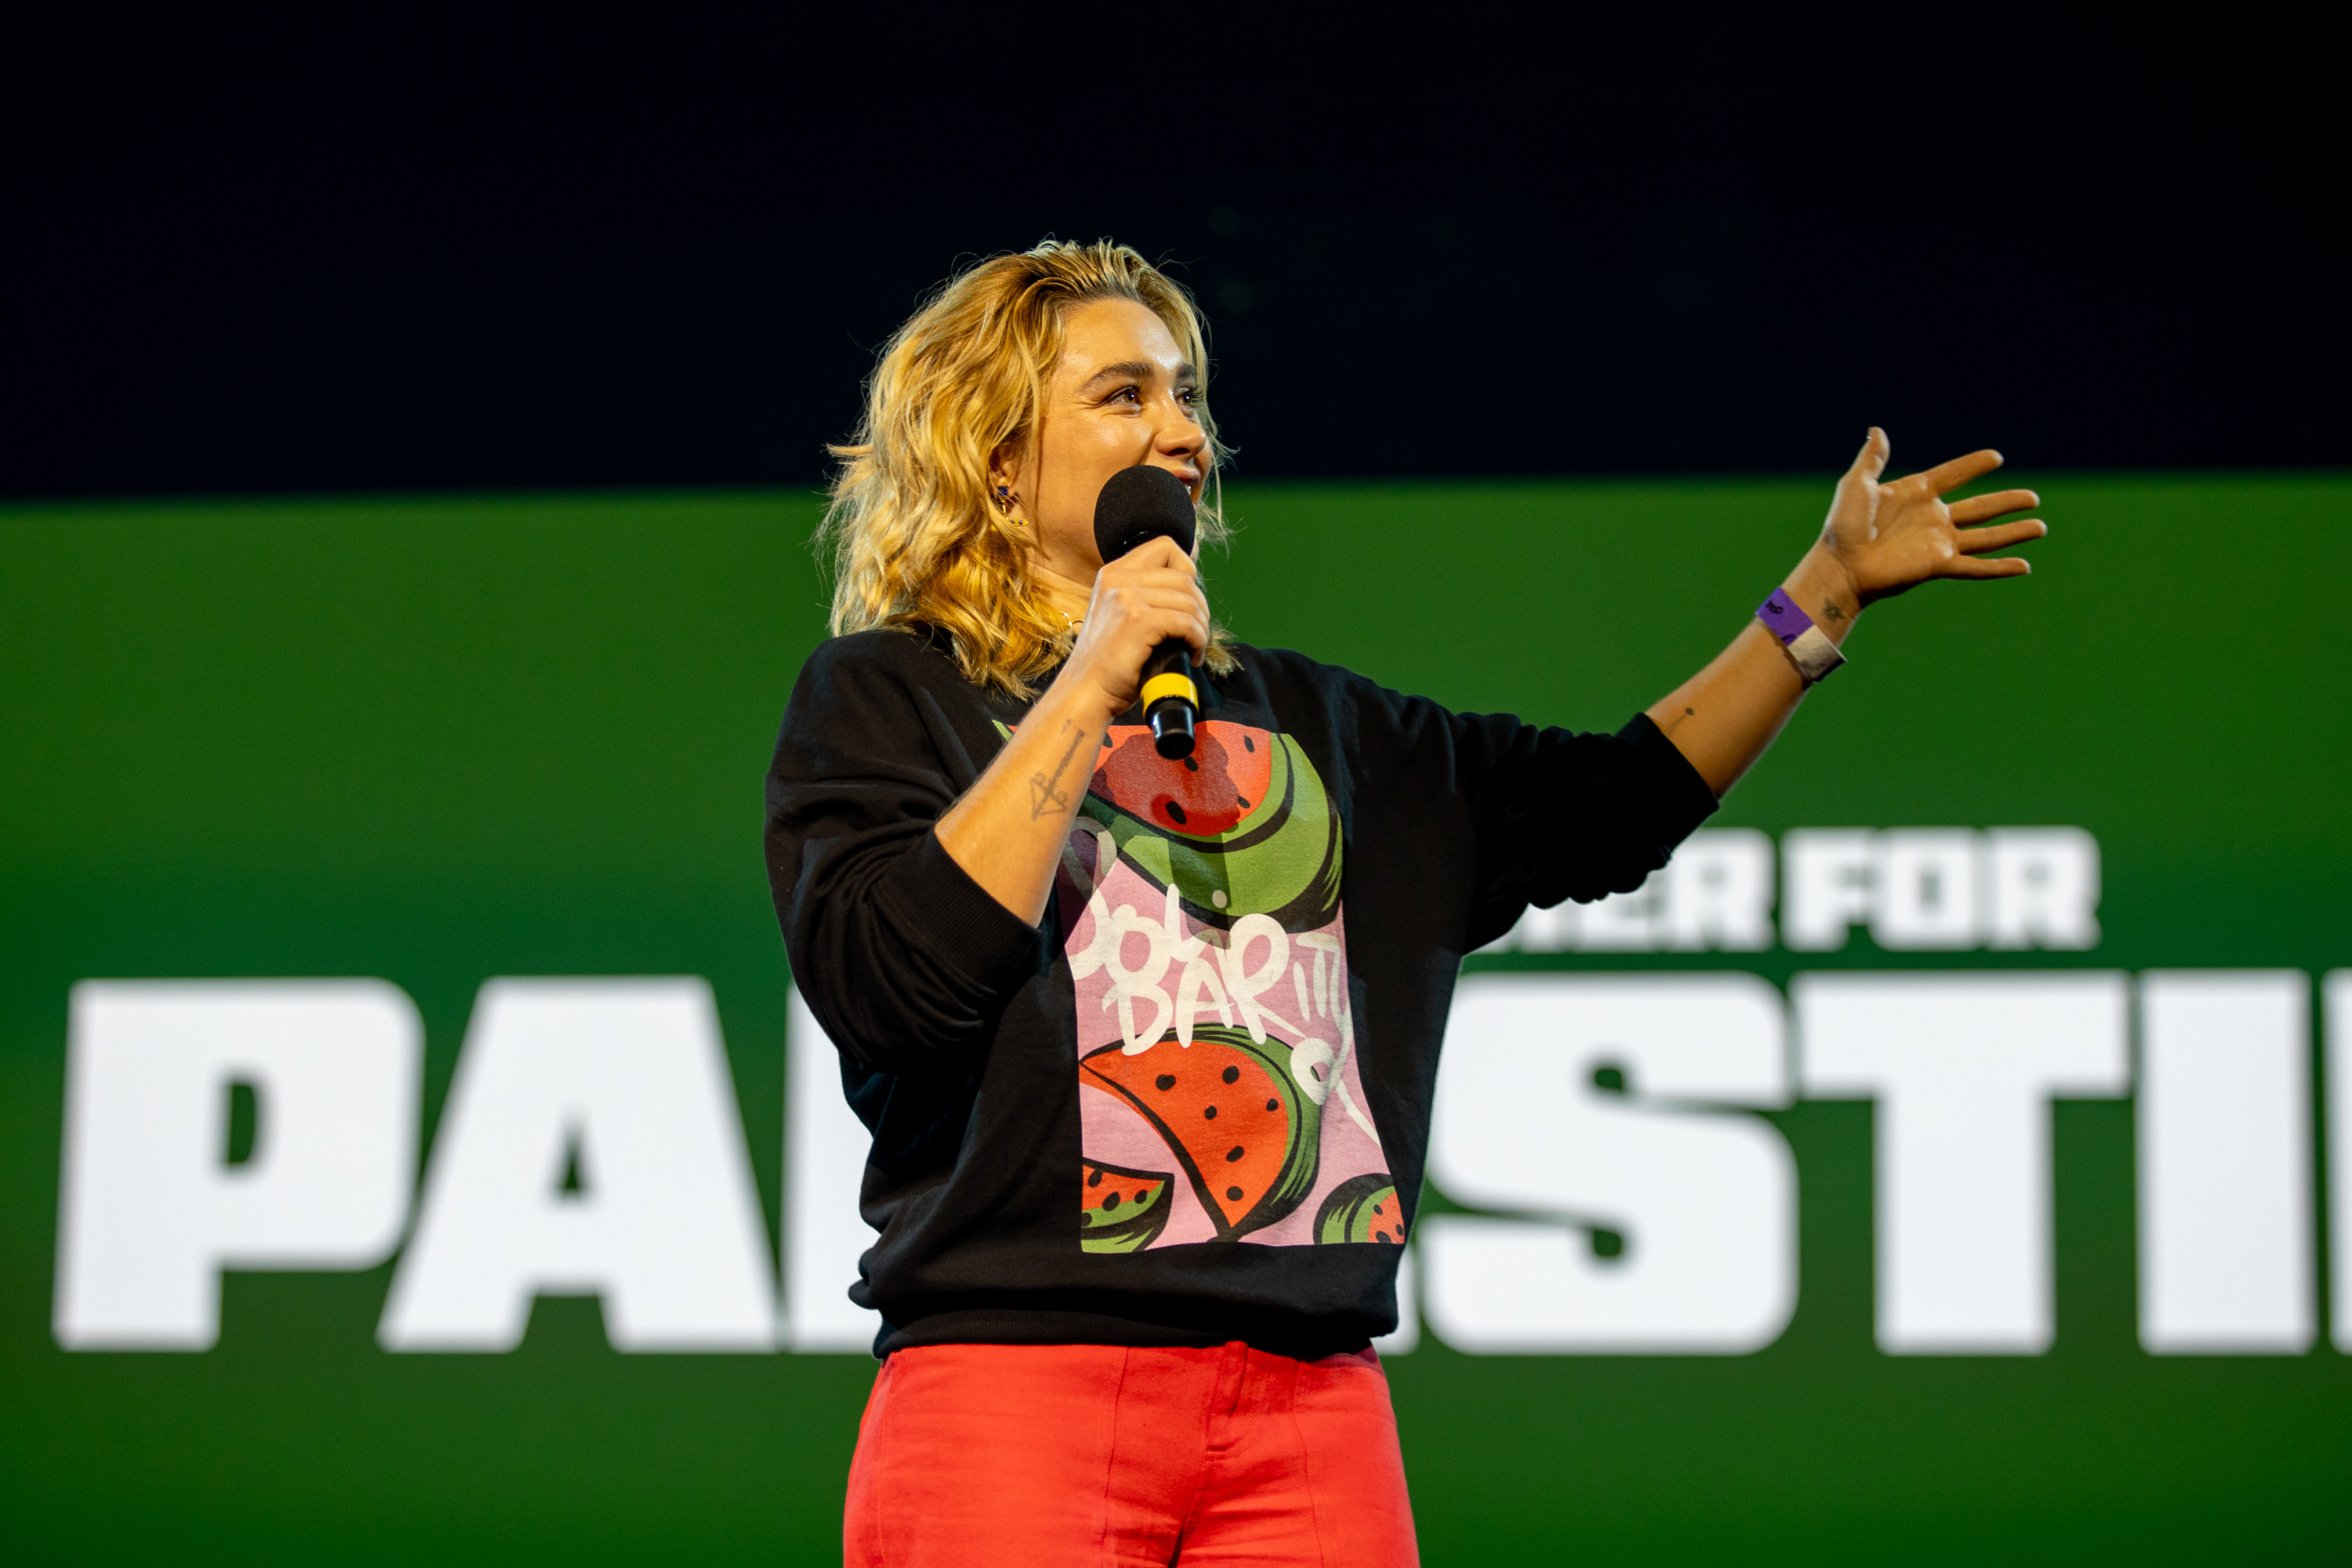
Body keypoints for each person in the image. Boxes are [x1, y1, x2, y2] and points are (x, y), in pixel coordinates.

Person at [764, 239, 2044, 1567]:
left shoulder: (1326, 726)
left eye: (1188, 393)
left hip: (1310, 1402)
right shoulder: (886, 699)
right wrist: (1089, 679)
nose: (1185, 433)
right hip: (1018, 1387)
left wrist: (1819, 601)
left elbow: (1607, 806)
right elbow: (902, 986)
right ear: (996, 453)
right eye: (1125, 395)